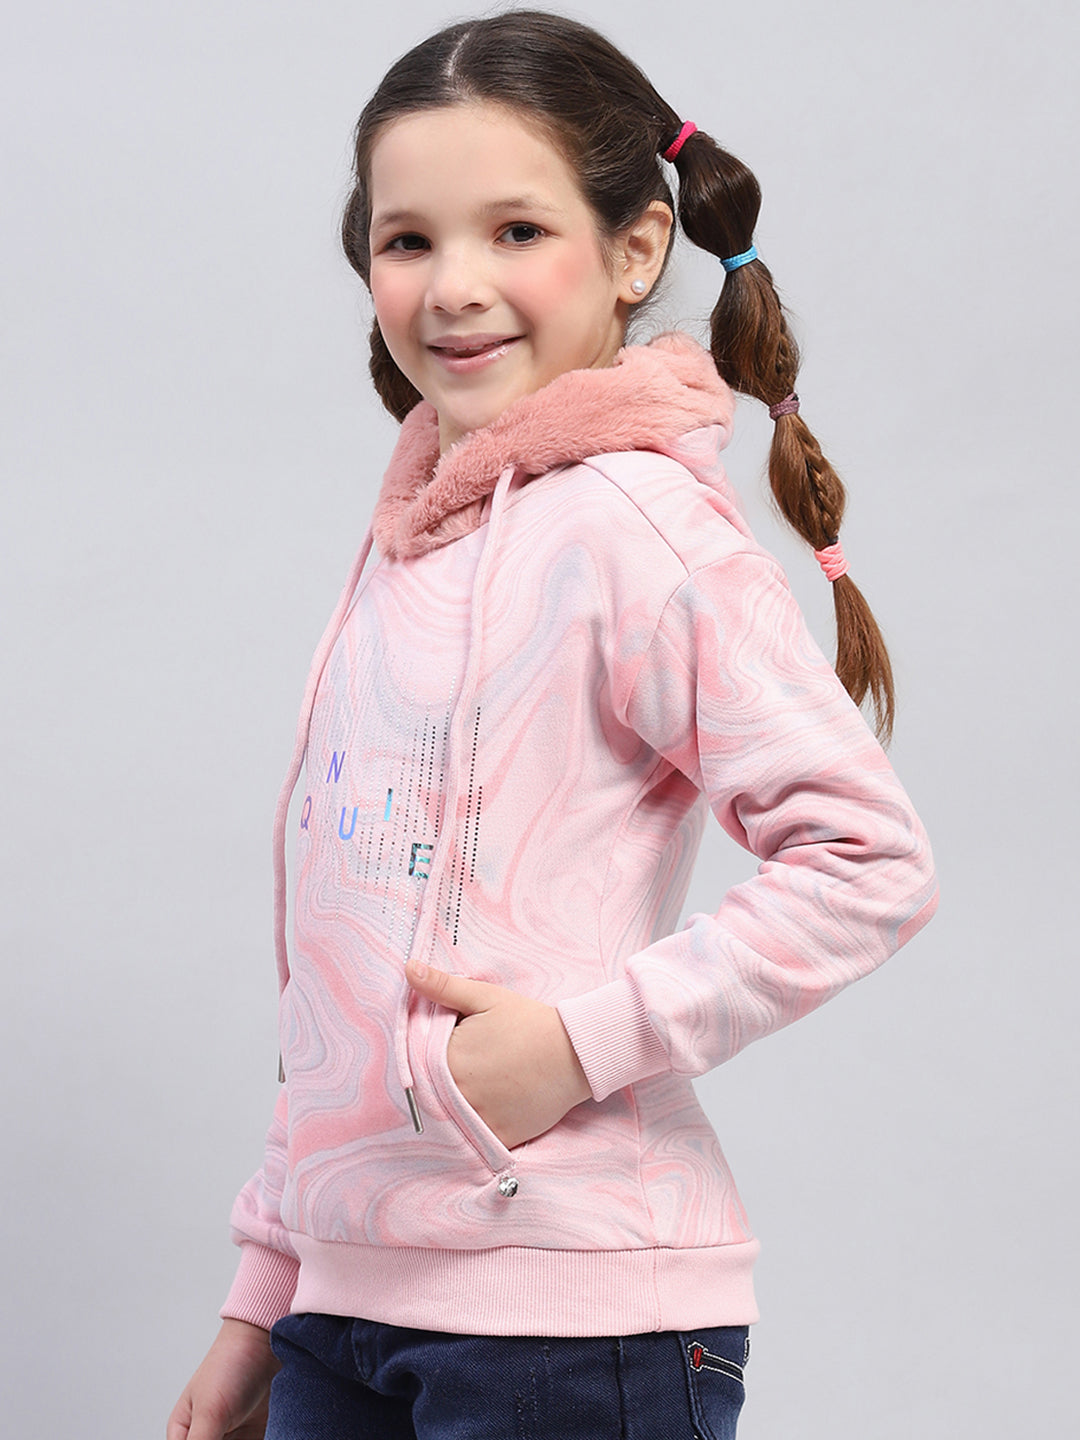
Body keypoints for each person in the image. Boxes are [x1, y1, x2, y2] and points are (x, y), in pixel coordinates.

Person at [167, 10, 938, 1439]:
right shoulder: (412, 542)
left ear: (637, 250)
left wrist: (577, 1047)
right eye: (408, 240)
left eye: (517, 231)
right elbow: (338, 966)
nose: (455, 285)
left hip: (571, 1320)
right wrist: (263, 1294)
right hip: (347, 1306)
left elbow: (870, 862)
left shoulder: (638, 528)